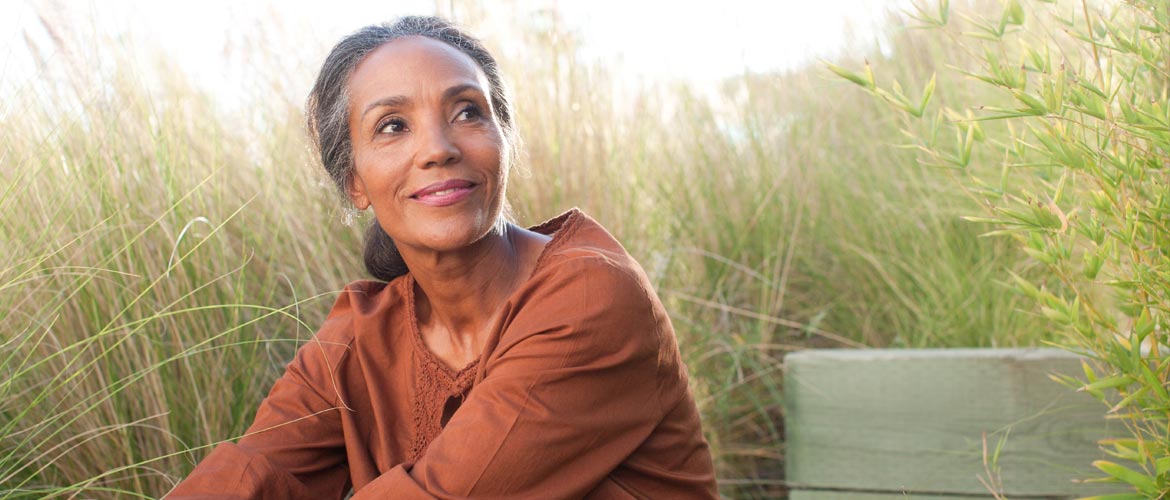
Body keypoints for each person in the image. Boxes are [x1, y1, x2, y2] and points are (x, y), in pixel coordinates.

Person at [169, 15, 717, 499]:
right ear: (355, 181)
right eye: (393, 126)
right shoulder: (361, 340)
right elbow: (255, 475)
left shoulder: (591, 296)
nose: (438, 148)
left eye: (466, 112)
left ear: (503, 138)